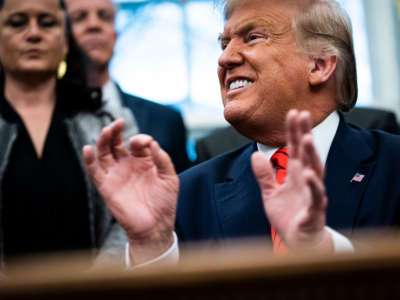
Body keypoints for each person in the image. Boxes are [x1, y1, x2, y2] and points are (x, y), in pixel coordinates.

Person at [83, 0, 400, 265]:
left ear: (318, 65)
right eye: (224, 43)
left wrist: (321, 248)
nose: (225, 58)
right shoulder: (186, 195)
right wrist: (152, 247)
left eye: (253, 38)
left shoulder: (394, 166)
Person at [0, 0, 137, 266]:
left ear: (65, 43)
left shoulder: (111, 122)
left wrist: (94, 286)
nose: (33, 33)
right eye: (17, 23)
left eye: (47, 23)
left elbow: (129, 218)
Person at [65, 0, 191, 173]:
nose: (94, 25)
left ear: (115, 35)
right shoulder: (43, 119)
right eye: (79, 18)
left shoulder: (166, 121)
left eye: (105, 17)